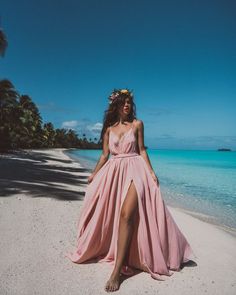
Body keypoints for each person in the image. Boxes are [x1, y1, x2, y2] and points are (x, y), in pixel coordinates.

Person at [65, 88, 196, 292]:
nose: (127, 106)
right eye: (123, 102)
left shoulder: (137, 124)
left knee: (126, 214)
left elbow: (142, 150)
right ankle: (125, 256)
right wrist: (93, 174)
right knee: (115, 215)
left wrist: (151, 172)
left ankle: (117, 271)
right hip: (115, 173)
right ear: (116, 105)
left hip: (137, 170)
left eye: (129, 103)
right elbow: (104, 155)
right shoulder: (108, 128)